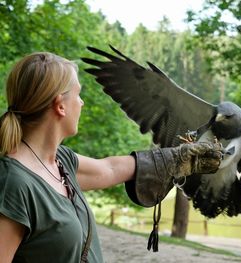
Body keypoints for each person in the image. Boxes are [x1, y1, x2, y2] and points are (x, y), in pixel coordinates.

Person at [0, 52, 223, 263]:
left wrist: (175, 159)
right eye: (78, 94)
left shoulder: (59, 161)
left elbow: (109, 169)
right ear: (60, 106)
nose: (82, 103)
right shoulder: (13, 184)